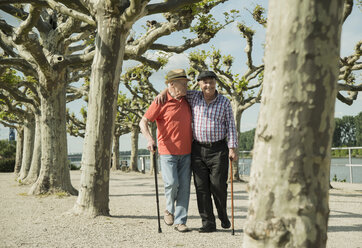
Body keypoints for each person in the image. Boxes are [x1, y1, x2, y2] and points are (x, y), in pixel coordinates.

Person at [156, 70, 238, 233]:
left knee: (218, 186)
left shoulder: (224, 102)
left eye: (211, 81)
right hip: (198, 149)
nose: (208, 85)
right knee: (201, 188)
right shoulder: (193, 96)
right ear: (199, 84)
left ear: (216, 83)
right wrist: (164, 91)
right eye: (205, 82)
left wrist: (232, 148)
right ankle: (208, 223)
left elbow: (231, 126)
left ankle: (222, 215)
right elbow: (175, 88)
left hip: (218, 149)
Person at [139, 69, 193, 233]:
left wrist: (165, 89)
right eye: (183, 83)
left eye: (186, 83)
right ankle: (169, 210)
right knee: (172, 183)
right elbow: (143, 122)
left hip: (187, 151)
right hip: (167, 151)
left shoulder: (188, 98)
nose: (186, 86)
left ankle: (180, 221)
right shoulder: (160, 102)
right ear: (172, 84)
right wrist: (149, 139)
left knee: (184, 187)